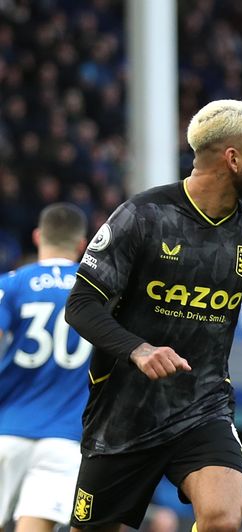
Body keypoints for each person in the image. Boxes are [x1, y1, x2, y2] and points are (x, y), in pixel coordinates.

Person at [64, 99, 242, 532]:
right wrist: (138, 349)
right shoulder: (142, 216)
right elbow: (80, 306)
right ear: (232, 158)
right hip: (123, 414)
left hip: (204, 406)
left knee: (222, 516)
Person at [0, 203, 90, 532]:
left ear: (38, 236)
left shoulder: (12, 284)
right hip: (65, 436)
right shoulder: (97, 292)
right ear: (82, 245)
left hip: (6, 428)